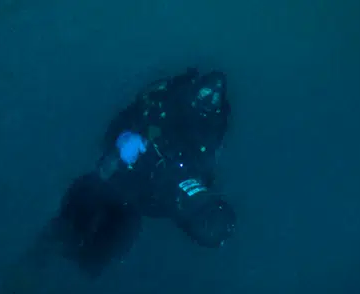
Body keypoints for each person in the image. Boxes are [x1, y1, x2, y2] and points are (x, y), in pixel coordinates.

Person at [41, 68, 236, 276]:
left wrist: (197, 196)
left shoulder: (210, 134)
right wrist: (124, 138)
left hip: (143, 200)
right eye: (206, 91)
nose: (209, 99)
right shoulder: (162, 103)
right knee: (68, 224)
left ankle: (67, 278)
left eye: (216, 97)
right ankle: (40, 261)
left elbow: (205, 172)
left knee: (98, 256)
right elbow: (117, 127)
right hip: (114, 180)